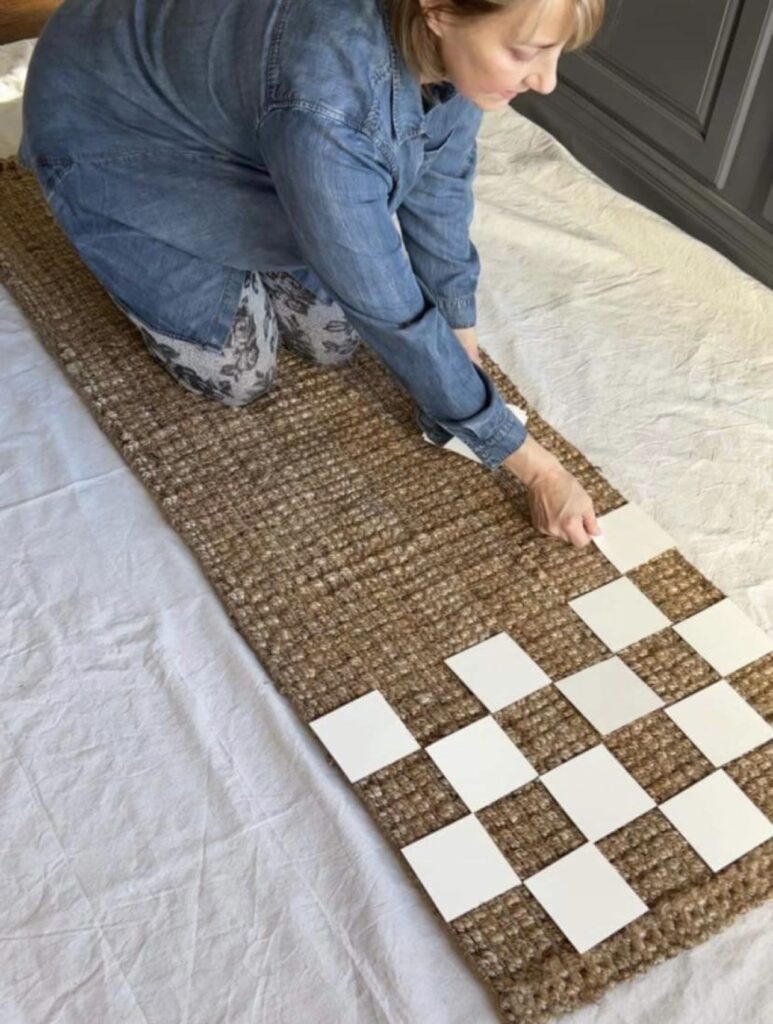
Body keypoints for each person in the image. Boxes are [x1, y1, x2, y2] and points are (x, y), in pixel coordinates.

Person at [19, 0, 605, 548]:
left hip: (234, 119)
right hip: (110, 131)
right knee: (240, 373)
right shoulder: (328, 106)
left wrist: (463, 348)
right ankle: (108, 219)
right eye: (526, 53)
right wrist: (535, 469)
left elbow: (441, 181)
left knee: (335, 338)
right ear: (440, 10)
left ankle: (265, 204)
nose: (546, 81)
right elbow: (391, 312)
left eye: (555, 54)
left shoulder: (440, 49)